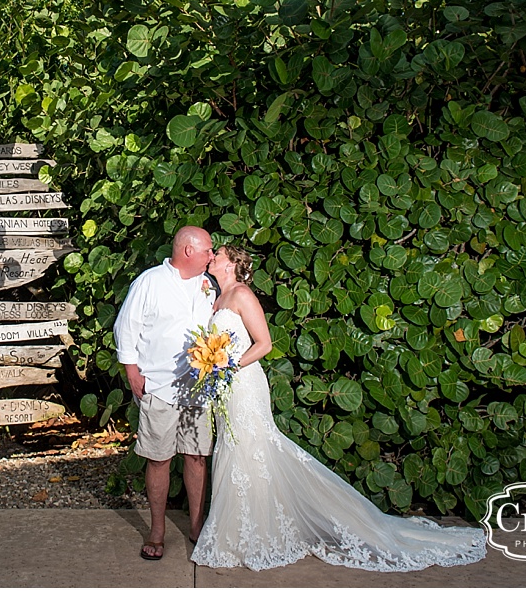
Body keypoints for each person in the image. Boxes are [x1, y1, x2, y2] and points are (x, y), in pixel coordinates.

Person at [191, 245, 487, 572]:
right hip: (225, 388)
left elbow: (265, 344)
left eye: (218, 254)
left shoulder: (242, 295)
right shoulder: (216, 297)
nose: (212, 257)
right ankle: (238, 535)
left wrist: (228, 365)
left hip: (244, 384)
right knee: (234, 449)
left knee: (251, 448)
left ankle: (259, 534)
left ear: (231, 264)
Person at [114, 225, 218, 561]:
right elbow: (125, 327)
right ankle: (157, 530)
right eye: (207, 251)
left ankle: (196, 525)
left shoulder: (208, 286)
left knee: (197, 457)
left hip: (198, 387)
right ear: (188, 251)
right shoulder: (150, 282)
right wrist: (132, 371)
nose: (212, 257)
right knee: (159, 458)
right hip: (159, 386)